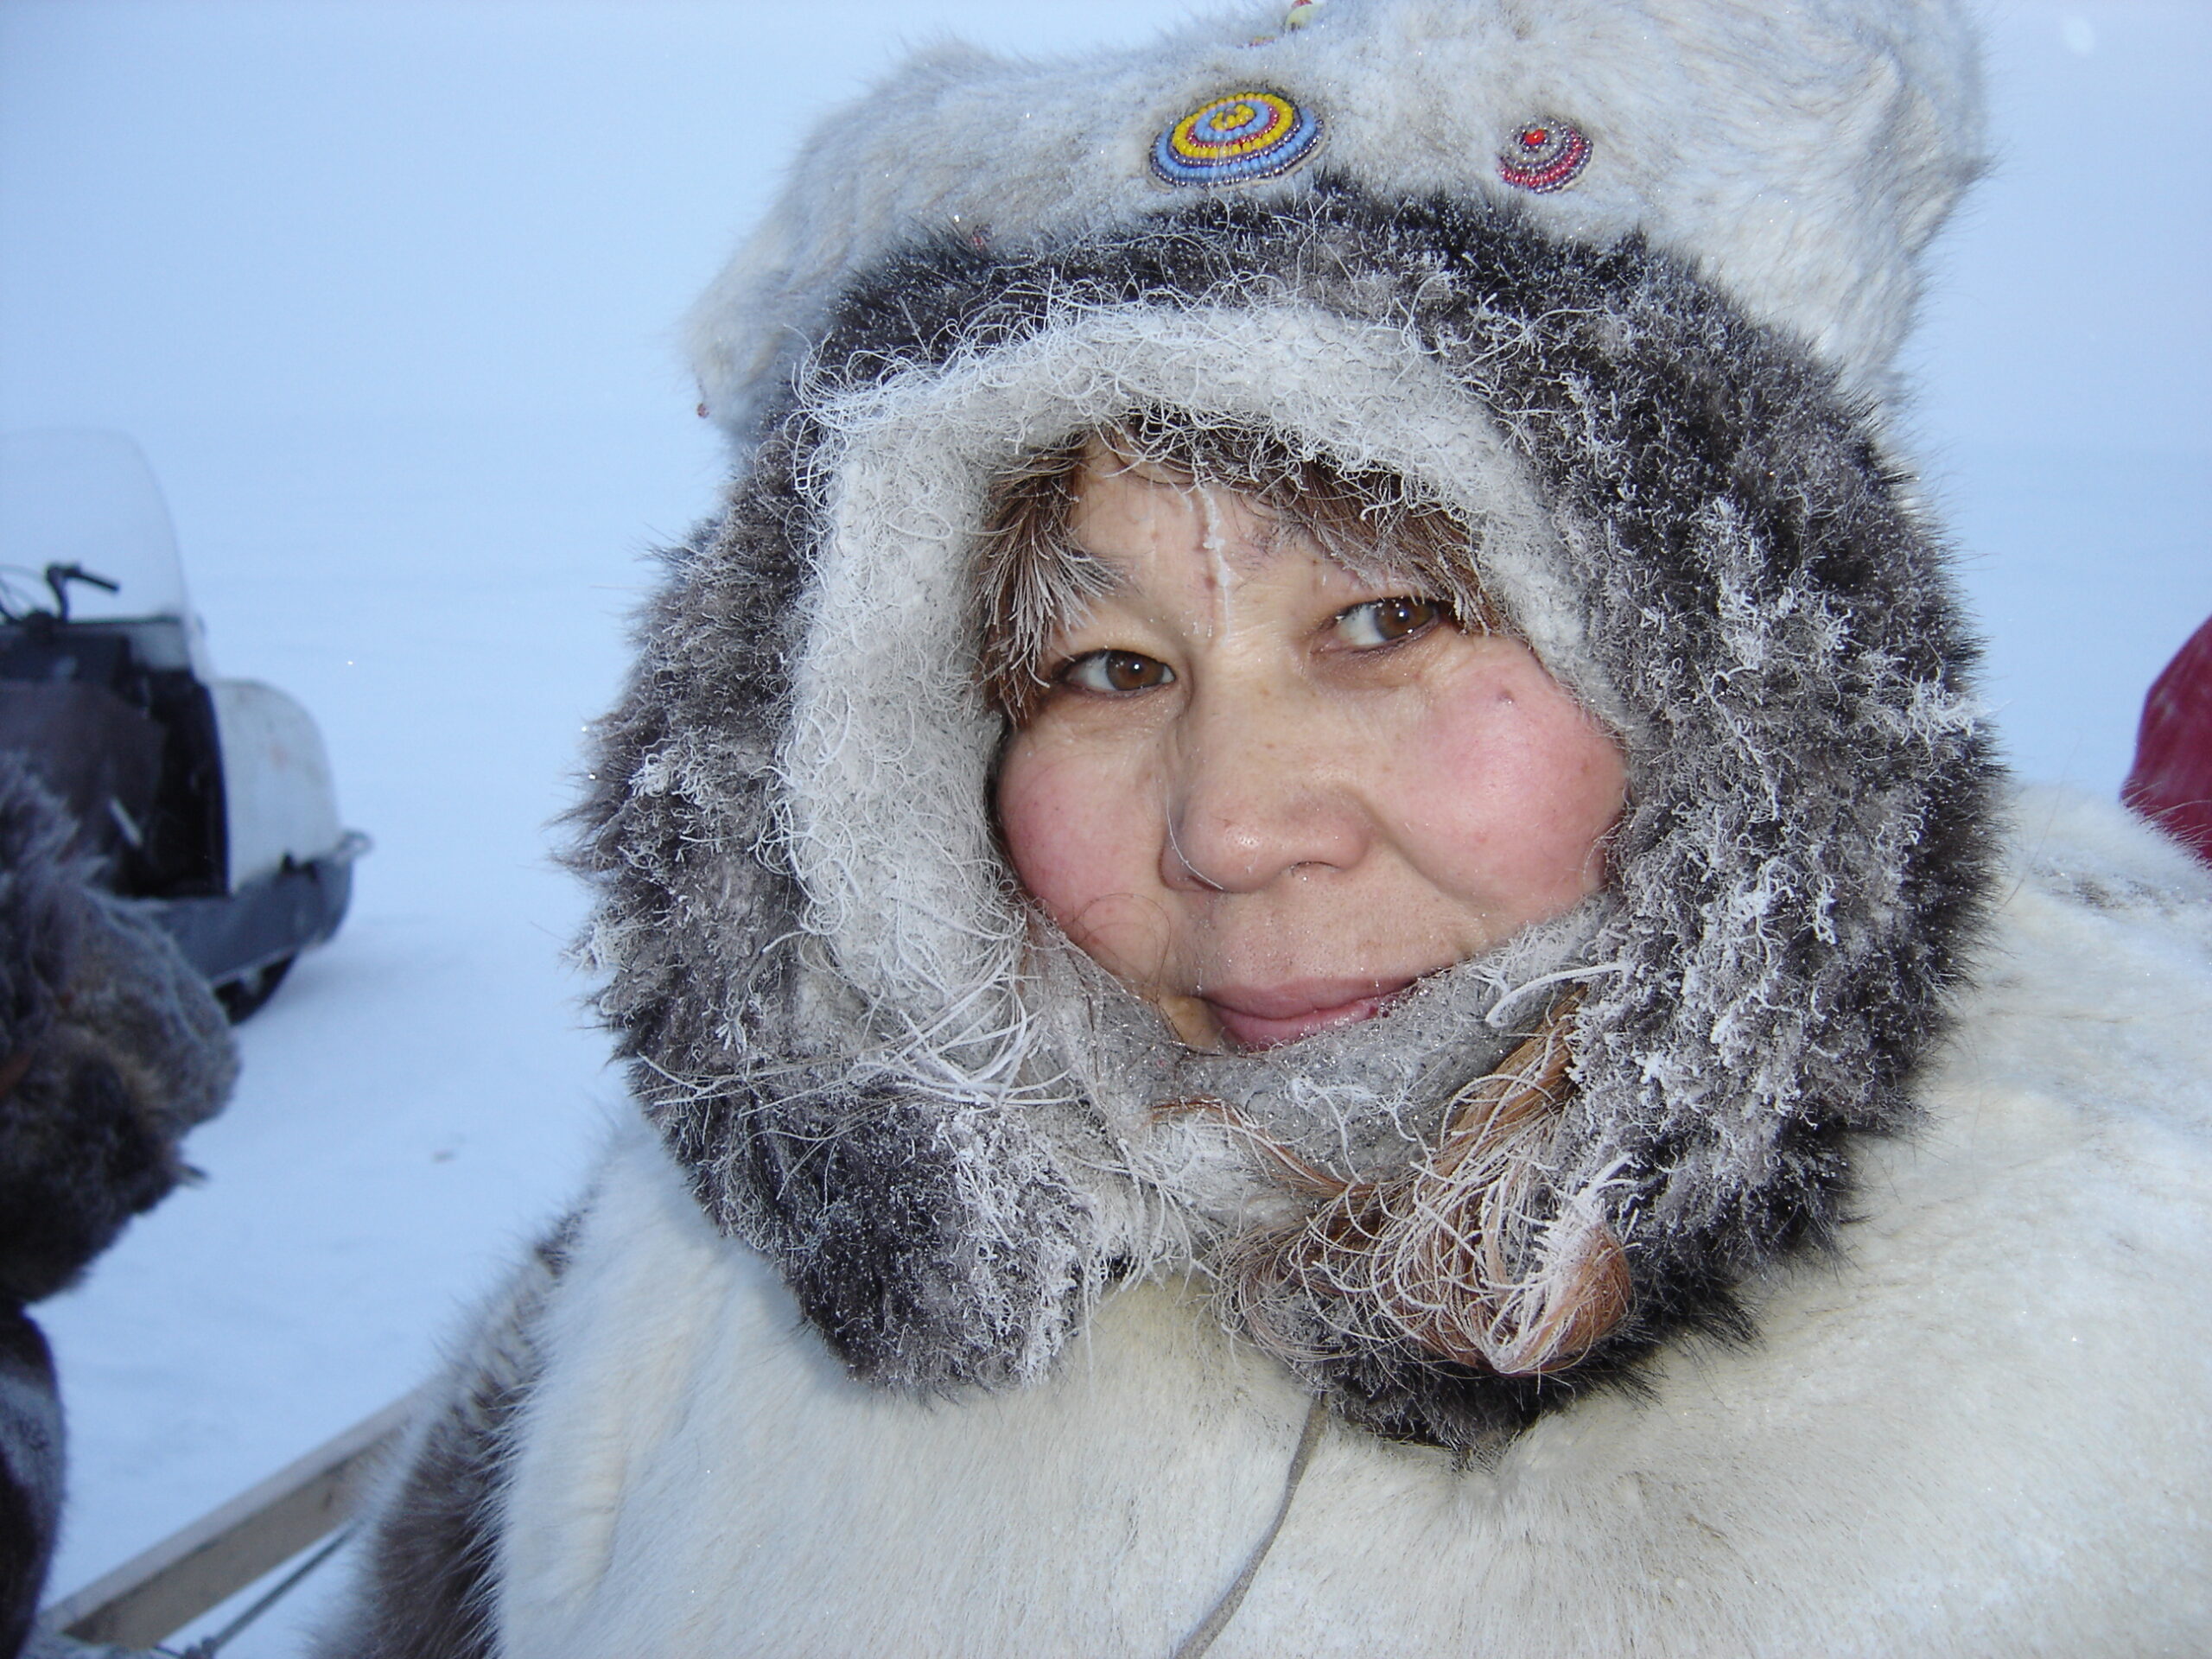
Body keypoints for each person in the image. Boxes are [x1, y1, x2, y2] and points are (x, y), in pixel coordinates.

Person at [316, 1, 2212, 1653]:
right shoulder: (715, 1280)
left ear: (1729, 673)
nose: (1229, 830)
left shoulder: (2138, 1299)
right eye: (1103, 670)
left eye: (1387, 621)